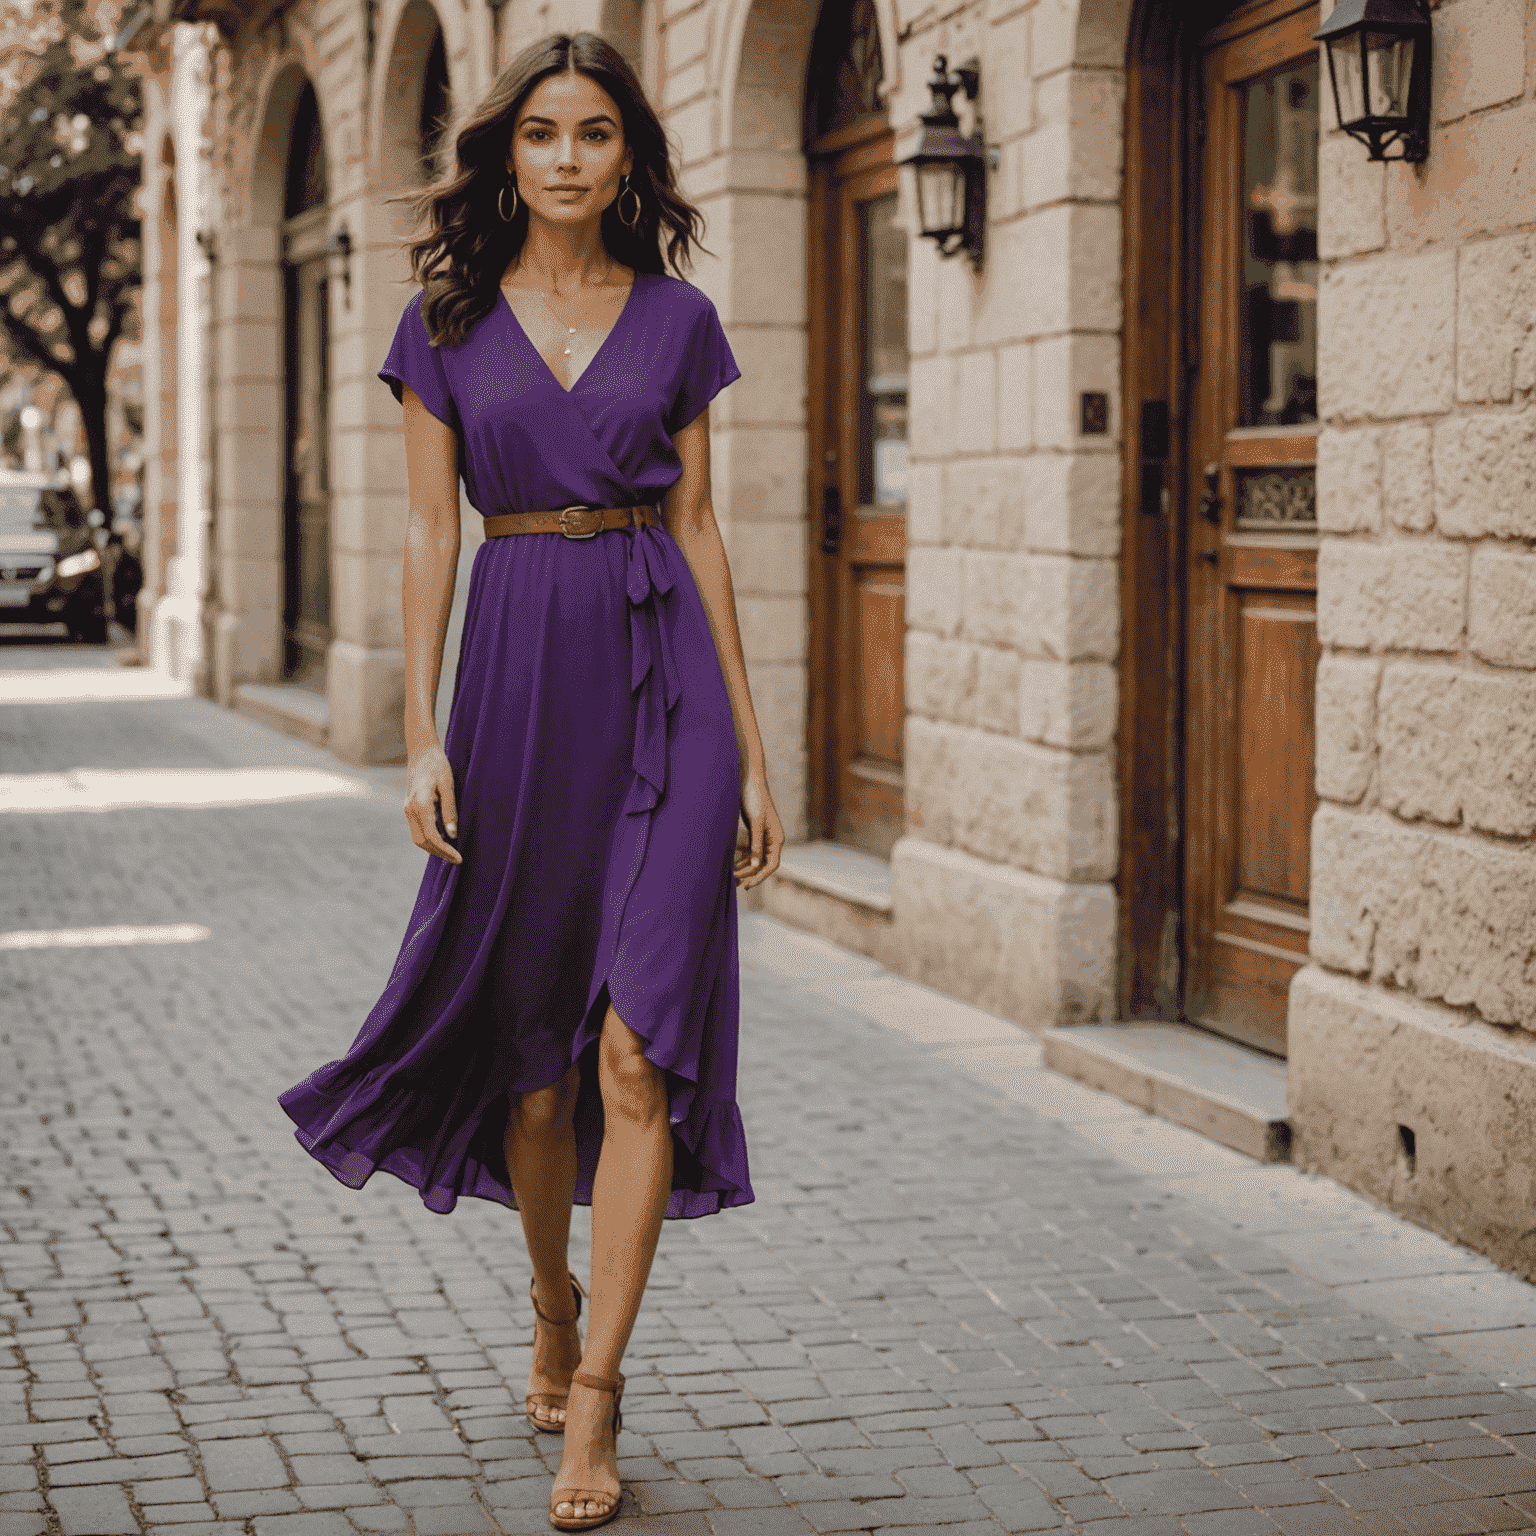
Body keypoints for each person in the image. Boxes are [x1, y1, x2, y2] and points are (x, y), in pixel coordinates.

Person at [277, 32, 785, 1533]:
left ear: (632, 160)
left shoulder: (683, 319)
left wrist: (752, 750)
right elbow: (432, 535)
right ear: (508, 155)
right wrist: (422, 732)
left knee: (639, 1054)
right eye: (545, 132)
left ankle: (604, 1396)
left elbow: (700, 533)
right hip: (513, 676)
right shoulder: (439, 323)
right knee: (539, 1068)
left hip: (665, 678)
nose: (569, 156)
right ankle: (550, 1307)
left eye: (598, 134)